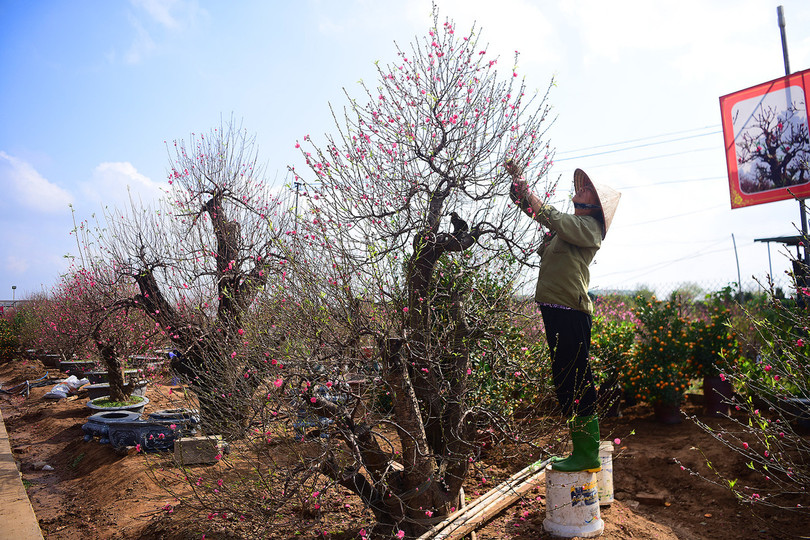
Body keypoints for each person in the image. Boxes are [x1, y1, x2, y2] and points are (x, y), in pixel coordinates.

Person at [506, 161, 620, 472]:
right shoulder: (570, 228)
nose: (579, 190)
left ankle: (587, 454)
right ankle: (580, 450)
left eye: (586, 190)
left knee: (578, 379)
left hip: (571, 310)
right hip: (556, 309)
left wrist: (528, 192)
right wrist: (519, 186)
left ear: (594, 205)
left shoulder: (588, 229)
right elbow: (534, 211)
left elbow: (551, 216)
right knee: (565, 381)